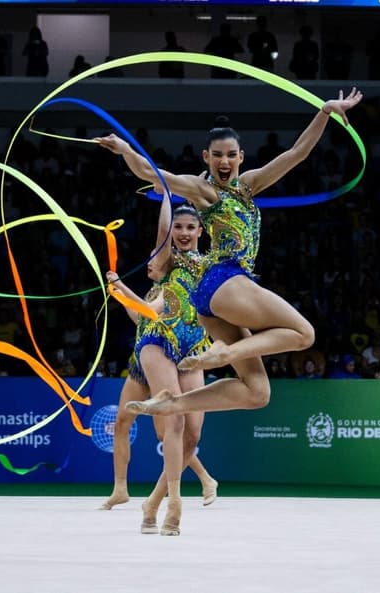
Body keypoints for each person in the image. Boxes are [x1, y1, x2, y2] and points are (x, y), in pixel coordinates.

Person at [94, 87, 363, 422]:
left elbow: (296, 154)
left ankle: (172, 403)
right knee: (304, 334)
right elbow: (152, 175)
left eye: (230, 155)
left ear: (241, 157)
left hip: (215, 301)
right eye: (217, 155)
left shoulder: (249, 185)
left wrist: (324, 111)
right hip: (225, 279)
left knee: (257, 393)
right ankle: (222, 353)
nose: (224, 161)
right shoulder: (204, 190)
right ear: (206, 157)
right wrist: (125, 150)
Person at [99, 192, 218, 536]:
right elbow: (145, 314)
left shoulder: (209, 264)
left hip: (193, 350)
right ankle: (170, 502)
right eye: (178, 227)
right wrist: (163, 189)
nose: (182, 232)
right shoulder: (167, 267)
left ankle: (152, 501)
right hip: (158, 348)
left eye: (190, 227)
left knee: (192, 436)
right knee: (169, 424)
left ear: (200, 231)